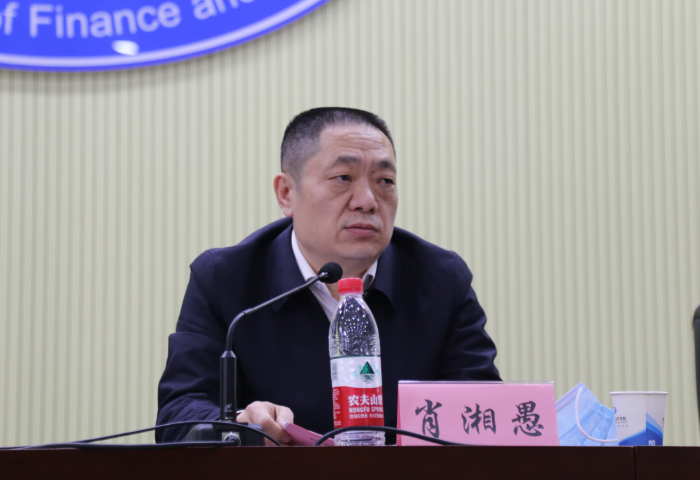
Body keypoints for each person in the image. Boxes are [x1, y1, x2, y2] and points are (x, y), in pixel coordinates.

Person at [156, 107, 500, 445]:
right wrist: (242, 426)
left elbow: (485, 418)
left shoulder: (442, 280)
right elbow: (178, 416)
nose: (367, 201)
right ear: (286, 193)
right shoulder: (225, 279)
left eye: (385, 181)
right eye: (343, 178)